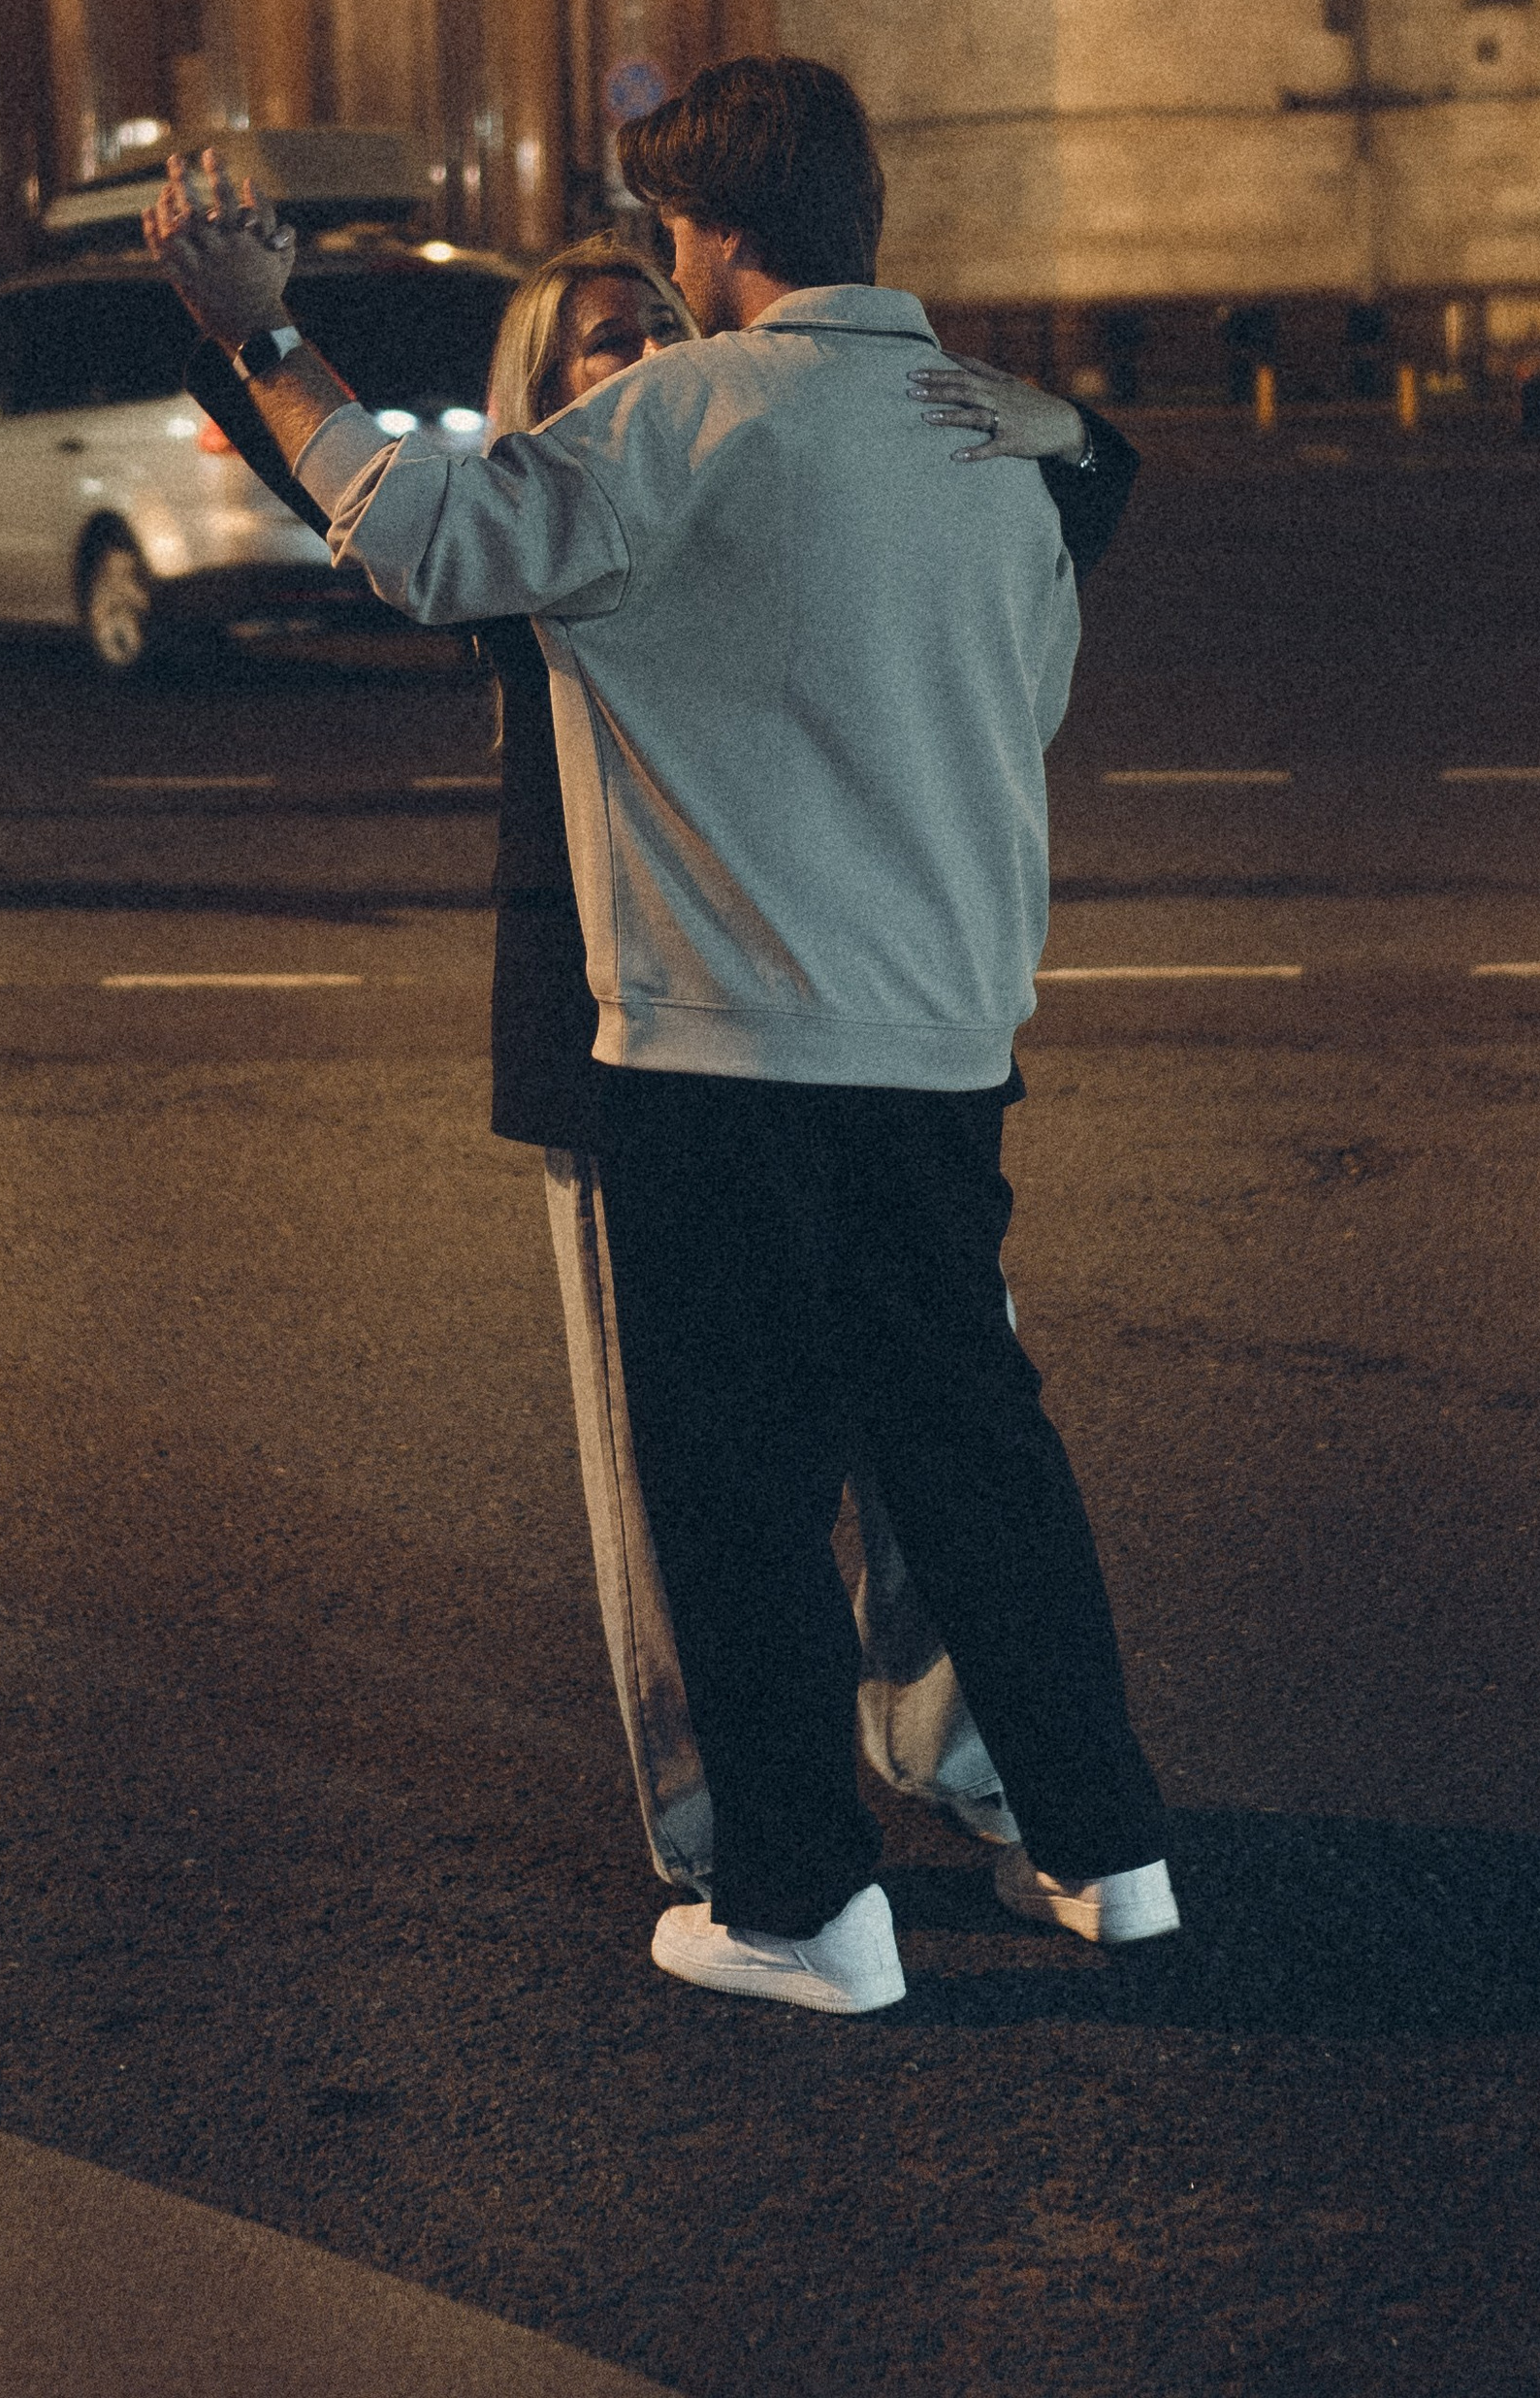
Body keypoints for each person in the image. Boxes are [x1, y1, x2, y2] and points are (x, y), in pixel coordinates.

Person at [148, 57, 1171, 2018]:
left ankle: (804, 1903)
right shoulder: (988, 452)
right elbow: (1017, 703)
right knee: (977, 1462)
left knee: (736, 1489)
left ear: (713, 233)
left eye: (671, 241)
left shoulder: (681, 417)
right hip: (945, 1041)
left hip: (727, 1055)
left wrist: (258, 326)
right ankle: (1106, 1850)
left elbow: (414, 526)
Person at [480, 236, 1139, 1903]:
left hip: (839, 1044)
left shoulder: (744, 479)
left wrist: (1063, 426)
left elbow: (1071, 507)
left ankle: (964, 1765)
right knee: (693, 1493)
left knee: (931, 1452)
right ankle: (731, 1824)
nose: (635, 362)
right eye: (593, 351)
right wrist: (244, 333)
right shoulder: (556, 535)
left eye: (660, 329)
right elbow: (383, 518)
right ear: (536, 402)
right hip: (639, 1063)